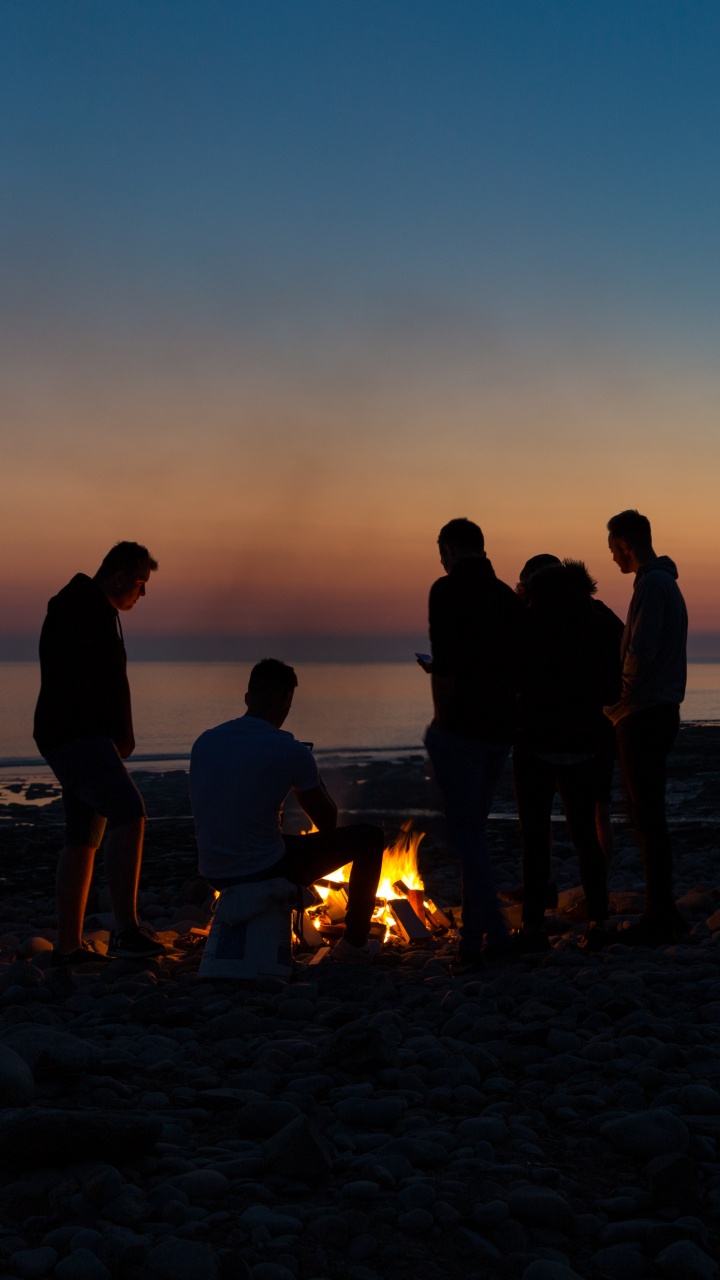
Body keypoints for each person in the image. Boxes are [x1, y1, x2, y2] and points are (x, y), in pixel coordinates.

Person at [190, 658, 384, 964]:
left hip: (214, 872)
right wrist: (311, 775)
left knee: (271, 837)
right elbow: (327, 822)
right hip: (263, 869)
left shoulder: (205, 741)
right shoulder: (289, 749)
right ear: (286, 701)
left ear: (247, 698)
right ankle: (355, 944)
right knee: (370, 838)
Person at [34, 542, 166, 964]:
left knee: (83, 836)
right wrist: (113, 733)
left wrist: (118, 734)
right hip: (77, 735)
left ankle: (69, 946)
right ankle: (125, 930)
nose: (143, 593)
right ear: (120, 576)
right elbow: (87, 681)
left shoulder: (92, 608)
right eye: (140, 583)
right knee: (129, 812)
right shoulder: (79, 608)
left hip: (79, 736)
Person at [421, 518, 524, 972]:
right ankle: (471, 939)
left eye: (441, 553)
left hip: (461, 726)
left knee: (466, 835)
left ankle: (494, 936)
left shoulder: (446, 590)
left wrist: (441, 721)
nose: (441, 561)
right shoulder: (506, 597)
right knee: (473, 833)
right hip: (500, 730)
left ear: (450, 548)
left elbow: (446, 664)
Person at [513, 560, 622, 951]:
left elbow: (511, 678)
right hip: (584, 743)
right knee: (585, 838)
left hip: (534, 743)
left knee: (534, 837)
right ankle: (598, 921)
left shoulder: (527, 623)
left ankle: (532, 926)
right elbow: (613, 689)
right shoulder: (598, 621)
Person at [605, 509, 689, 945]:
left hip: (644, 713)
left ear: (625, 545)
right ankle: (663, 910)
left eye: (612, 550)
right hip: (654, 709)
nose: (612, 559)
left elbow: (641, 651)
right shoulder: (661, 583)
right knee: (647, 814)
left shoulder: (654, 585)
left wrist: (618, 695)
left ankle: (660, 913)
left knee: (647, 816)